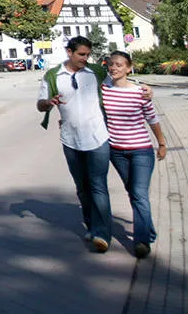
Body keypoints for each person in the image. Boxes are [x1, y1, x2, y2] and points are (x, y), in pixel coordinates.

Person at [36, 36, 153, 253]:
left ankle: (102, 233)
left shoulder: (96, 73)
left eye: (87, 55)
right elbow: (40, 104)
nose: (85, 58)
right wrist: (49, 103)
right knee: (83, 187)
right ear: (69, 52)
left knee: (98, 185)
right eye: (81, 54)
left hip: (98, 137)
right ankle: (91, 225)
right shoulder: (53, 76)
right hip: (70, 140)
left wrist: (143, 88)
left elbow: (120, 82)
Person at [102, 51, 166, 259]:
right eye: (111, 64)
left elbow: (152, 118)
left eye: (119, 65)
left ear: (129, 68)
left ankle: (141, 242)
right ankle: (148, 230)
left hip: (141, 151)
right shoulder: (104, 90)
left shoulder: (140, 92)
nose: (114, 68)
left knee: (139, 194)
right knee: (133, 192)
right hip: (116, 151)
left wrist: (162, 143)